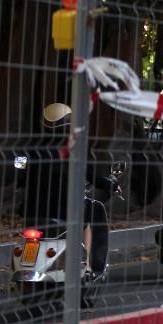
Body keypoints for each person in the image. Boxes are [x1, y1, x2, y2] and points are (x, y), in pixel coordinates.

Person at [27, 103, 112, 279]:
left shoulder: (35, 149)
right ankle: (87, 266)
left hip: (33, 211)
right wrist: (110, 184)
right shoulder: (71, 150)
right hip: (65, 209)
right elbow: (92, 175)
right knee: (88, 221)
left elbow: (22, 175)